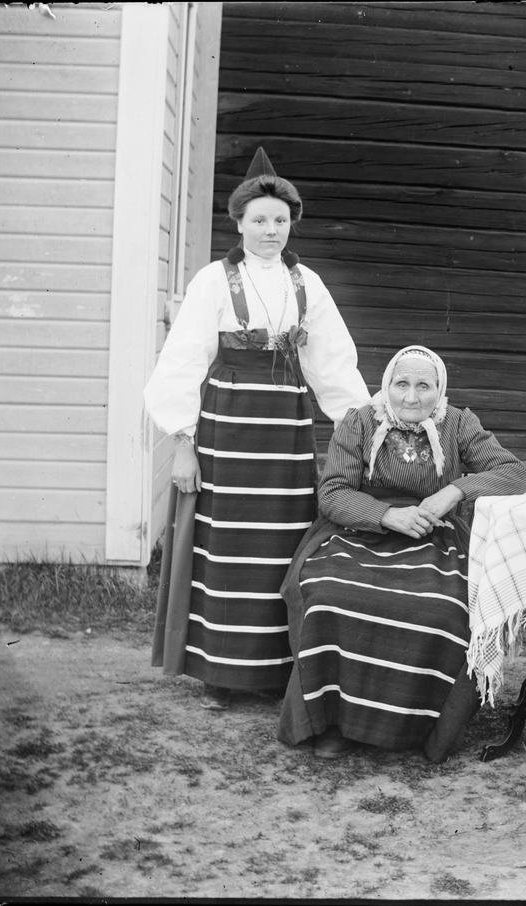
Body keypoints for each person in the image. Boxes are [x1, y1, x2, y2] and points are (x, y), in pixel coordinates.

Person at [145, 148, 371, 711]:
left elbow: (333, 364)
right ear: (240, 223)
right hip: (227, 432)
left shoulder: (306, 283)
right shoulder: (213, 281)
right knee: (228, 549)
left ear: (292, 223)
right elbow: (181, 363)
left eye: (280, 220)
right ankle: (222, 673)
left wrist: (364, 428)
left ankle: (274, 671)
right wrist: (184, 445)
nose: (271, 231)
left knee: (281, 545)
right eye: (260, 220)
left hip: (286, 435)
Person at [276, 345, 526, 763]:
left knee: (444, 609)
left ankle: (417, 726)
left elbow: (515, 473)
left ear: (439, 390)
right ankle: (334, 722)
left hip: (435, 535)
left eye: (423, 386)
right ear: (387, 385)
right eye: (402, 384)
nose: (411, 397)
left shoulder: (457, 424)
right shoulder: (360, 422)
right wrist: (386, 515)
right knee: (330, 595)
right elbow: (333, 493)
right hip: (359, 530)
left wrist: (455, 491)